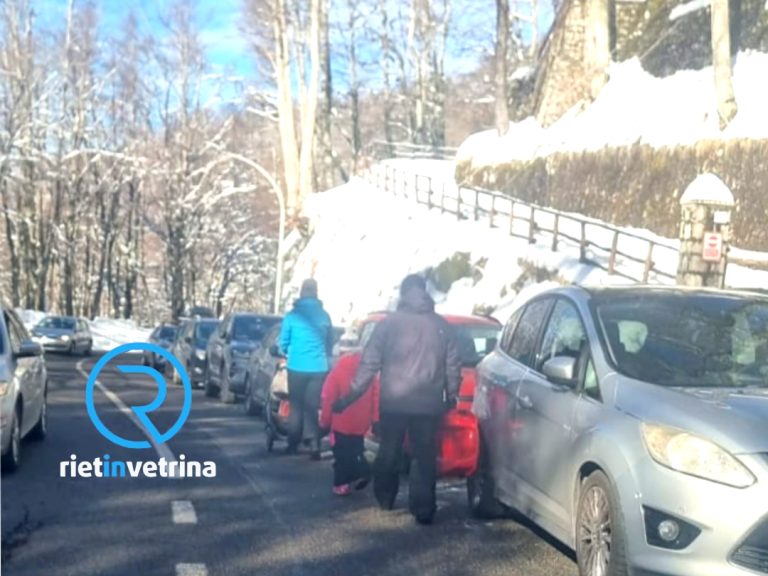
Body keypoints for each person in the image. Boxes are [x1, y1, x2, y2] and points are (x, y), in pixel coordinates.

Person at [333, 273, 461, 524]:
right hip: (428, 403)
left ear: (404, 294)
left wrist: (350, 396)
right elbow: (452, 365)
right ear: (424, 292)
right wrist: (452, 394)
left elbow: (369, 362)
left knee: (389, 449)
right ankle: (423, 508)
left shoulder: (389, 325)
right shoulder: (441, 326)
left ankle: (385, 496)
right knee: (423, 455)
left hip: (394, 401)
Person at [279, 278, 334, 459]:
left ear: (301, 293)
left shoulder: (293, 316)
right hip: (318, 367)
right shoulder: (324, 316)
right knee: (312, 406)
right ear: (316, 293)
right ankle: (314, 444)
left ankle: (293, 443)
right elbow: (329, 342)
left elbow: (283, 343)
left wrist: (283, 350)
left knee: (296, 406)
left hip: (297, 366)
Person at [319, 353, 379, 495]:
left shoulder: (336, 373)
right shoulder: (369, 375)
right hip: (361, 422)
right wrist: (375, 419)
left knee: (341, 455)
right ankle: (361, 471)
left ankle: (342, 483)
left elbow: (328, 400)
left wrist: (324, 422)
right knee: (356, 449)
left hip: (340, 422)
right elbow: (377, 398)